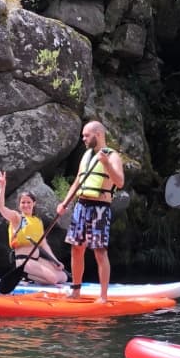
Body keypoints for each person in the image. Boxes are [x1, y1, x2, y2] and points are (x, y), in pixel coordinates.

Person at [57, 120, 125, 303]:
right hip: (81, 205)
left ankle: (103, 296)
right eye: (83, 136)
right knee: (76, 249)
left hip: (100, 208)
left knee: (99, 251)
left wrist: (107, 164)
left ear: (98, 134)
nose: (84, 139)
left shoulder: (112, 156)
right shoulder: (86, 155)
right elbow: (77, 181)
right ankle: (76, 291)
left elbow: (120, 182)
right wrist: (64, 203)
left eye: (87, 135)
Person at [0, 171, 68, 285]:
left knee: (63, 277)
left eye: (28, 202)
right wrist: (2, 187)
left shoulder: (38, 221)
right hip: (23, 261)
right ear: (19, 205)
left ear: (34, 203)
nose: (26, 205)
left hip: (37, 259)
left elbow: (44, 245)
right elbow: (1, 208)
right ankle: (24, 275)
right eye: (23, 202)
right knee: (53, 279)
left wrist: (55, 261)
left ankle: (32, 277)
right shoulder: (16, 217)